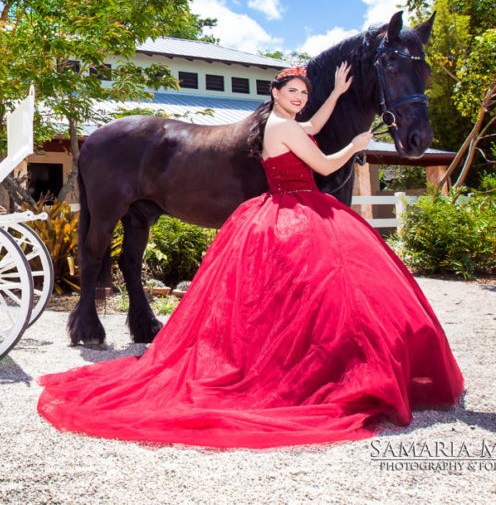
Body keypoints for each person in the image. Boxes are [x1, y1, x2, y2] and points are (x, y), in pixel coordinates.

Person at [37, 64, 464, 449]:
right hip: (294, 208)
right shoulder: (283, 129)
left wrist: (334, 93)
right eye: (292, 91)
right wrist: (355, 144)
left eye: (303, 92)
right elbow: (323, 160)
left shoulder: (283, 123)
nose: (299, 98)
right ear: (275, 93)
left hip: (288, 208)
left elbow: (312, 124)